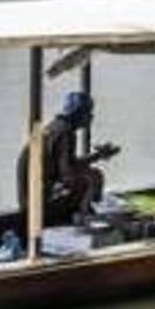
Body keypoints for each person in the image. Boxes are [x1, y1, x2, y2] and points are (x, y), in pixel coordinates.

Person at [15, 91, 117, 226]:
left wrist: (98, 155)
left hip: (29, 201)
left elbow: (67, 165)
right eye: (89, 112)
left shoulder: (53, 127)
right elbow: (68, 174)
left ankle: (84, 214)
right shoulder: (66, 133)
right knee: (94, 176)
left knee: (89, 176)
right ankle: (85, 220)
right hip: (38, 206)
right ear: (79, 114)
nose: (92, 116)